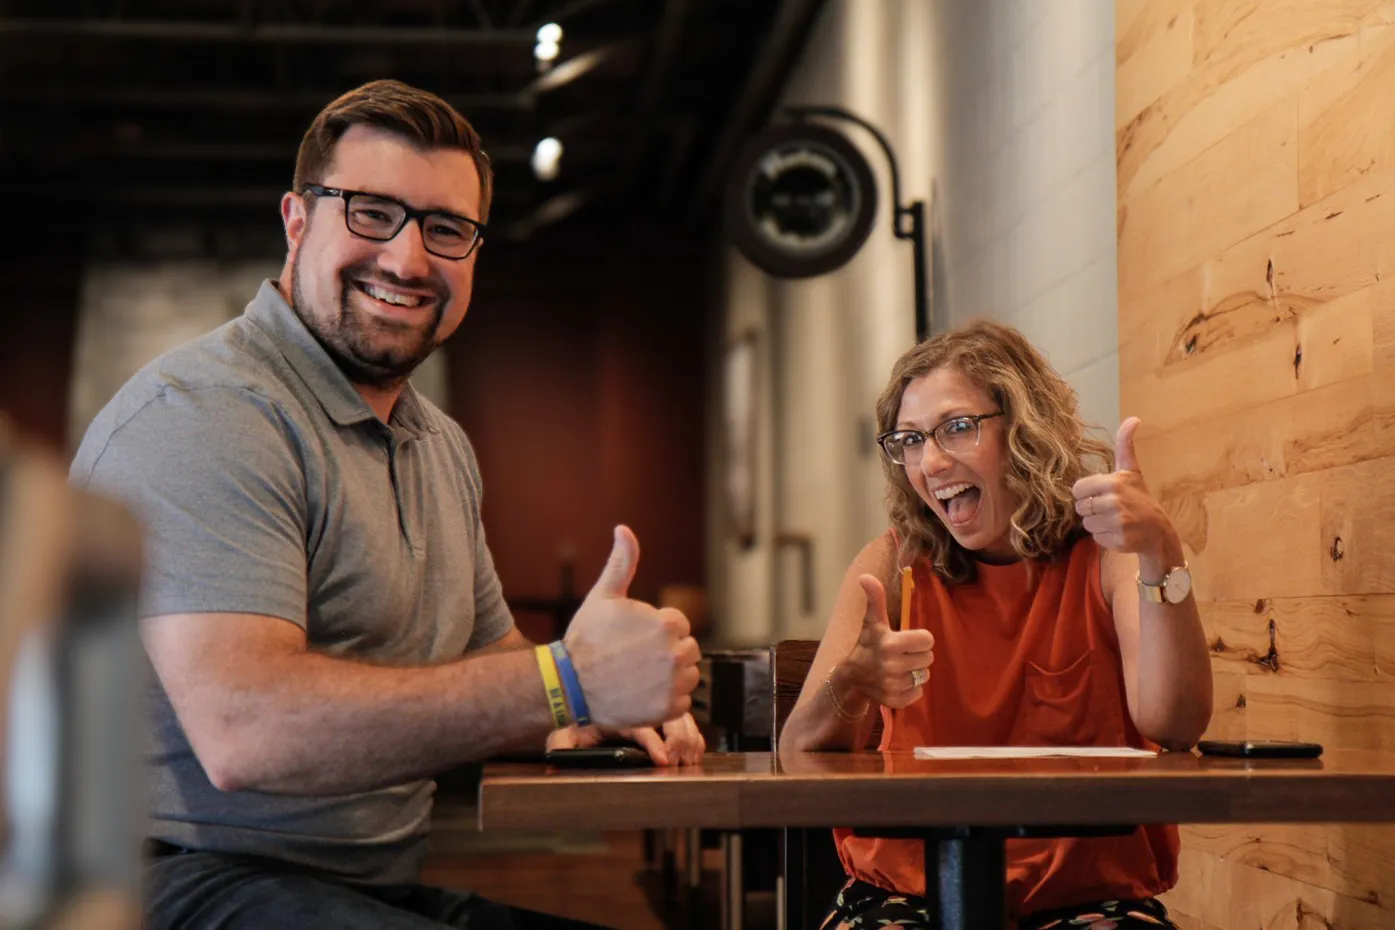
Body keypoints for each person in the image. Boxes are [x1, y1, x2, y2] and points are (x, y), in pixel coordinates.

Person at [68, 79, 704, 930]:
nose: (407, 260)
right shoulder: (205, 413)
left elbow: (489, 659)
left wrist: (591, 712)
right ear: (297, 222)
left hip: (355, 888)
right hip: (166, 885)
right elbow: (245, 733)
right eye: (370, 212)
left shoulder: (437, 443)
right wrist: (565, 683)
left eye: (445, 229)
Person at [779, 321, 1213, 930]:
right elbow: (797, 754)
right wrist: (853, 682)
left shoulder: (1104, 555)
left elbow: (1175, 723)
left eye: (957, 428)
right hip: (906, 901)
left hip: (1086, 905)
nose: (929, 462)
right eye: (909, 439)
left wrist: (1161, 551)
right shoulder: (893, 565)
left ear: (1024, 429)